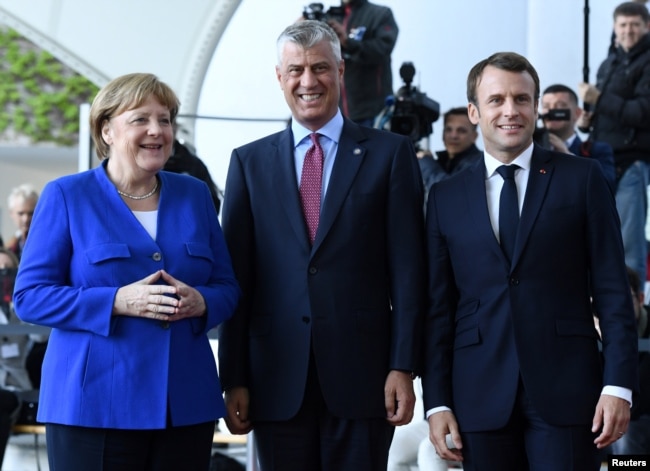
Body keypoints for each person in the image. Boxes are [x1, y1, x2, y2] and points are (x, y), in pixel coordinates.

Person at [218, 20, 425, 471]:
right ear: (279, 77)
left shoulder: (390, 154)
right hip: (274, 380)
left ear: (341, 70)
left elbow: (409, 272)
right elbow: (237, 279)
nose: (307, 81)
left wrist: (403, 366)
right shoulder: (248, 163)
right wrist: (233, 376)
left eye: (320, 68)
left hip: (365, 378)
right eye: (295, 70)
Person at [12, 73, 240, 471]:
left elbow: (227, 288)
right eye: (140, 119)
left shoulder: (195, 195)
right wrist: (116, 301)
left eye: (165, 119)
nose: (157, 130)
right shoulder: (67, 195)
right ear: (107, 130)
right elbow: (29, 298)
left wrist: (203, 301)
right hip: (92, 407)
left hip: (184, 406)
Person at [423, 51, 639, 471]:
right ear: (474, 111)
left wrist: (618, 385)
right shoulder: (445, 198)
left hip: (571, 391)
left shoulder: (583, 178)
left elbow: (613, 291)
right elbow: (437, 310)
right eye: (497, 100)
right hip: (478, 395)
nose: (511, 111)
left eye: (522, 99)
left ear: (536, 106)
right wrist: (437, 402)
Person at [578, 1, 650, 286]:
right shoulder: (609, 63)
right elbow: (606, 111)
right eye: (623, 25)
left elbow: (642, 113)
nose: (628, 31)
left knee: (629, 241)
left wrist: (600, 99)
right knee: (597, 234)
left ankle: (633, 314)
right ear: (614, 28)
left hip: (631, 163)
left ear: (646, 27)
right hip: (601, 161)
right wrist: (587, 122)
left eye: (634, 25)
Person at [325, 0, 398, 126]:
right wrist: (298, 31)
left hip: (373, 115)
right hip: (336, 117)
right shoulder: (330, 17)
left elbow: (382, 50)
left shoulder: (380, 14)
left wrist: (348, 43)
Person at [539, 84, 616, 192]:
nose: (552, 112)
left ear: (577, 113)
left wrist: (567, 156)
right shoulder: (531, 147)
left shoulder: (596, 151)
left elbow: (607, 186)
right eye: (546, 106)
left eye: (560, 106)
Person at [609, 267, 650, 455]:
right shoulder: (595, 329)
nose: (616, 308)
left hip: (640, 418)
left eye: (625, 300)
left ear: (641, 299)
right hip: (604, 416)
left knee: (625, 438)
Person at [0, 247, 33, 469]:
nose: (3, 275)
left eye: (8, 269)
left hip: (15, 390)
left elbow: (40, 337)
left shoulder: (24, 309)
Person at [418, 106, 482, 192]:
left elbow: (449, 191)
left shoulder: (480, 163)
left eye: (461, 131)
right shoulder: (441, 163)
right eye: (448, 129)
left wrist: (425, 162)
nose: (453, 136)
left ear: (474, 136)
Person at [165, 127, 223, 215]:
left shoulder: (194, 165)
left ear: (175, 129)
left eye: (166, 123)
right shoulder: (143, 164)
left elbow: (212, 204)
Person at [5, 184, 38, 261]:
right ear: (11, 213)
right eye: (21, 213)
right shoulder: (9, 246)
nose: (26, 219)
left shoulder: (46, 242)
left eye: (31, 213)